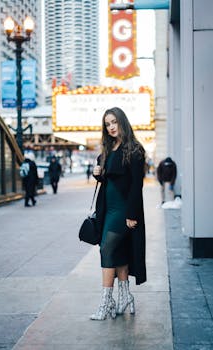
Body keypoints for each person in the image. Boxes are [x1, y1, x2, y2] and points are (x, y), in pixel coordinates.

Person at [90, 107, 146, 321]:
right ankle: (125, 297)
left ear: (122, 121)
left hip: (124, 209)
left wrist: (132, 214)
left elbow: (135, 186)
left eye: (114, 122)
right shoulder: (108, 149)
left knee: (107, 248)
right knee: (118, 250)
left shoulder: (135, 150)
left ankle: (106, 303)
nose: (111, 127)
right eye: (107, 124)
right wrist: (98, 174)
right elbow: (108, 178)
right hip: (108, 209)